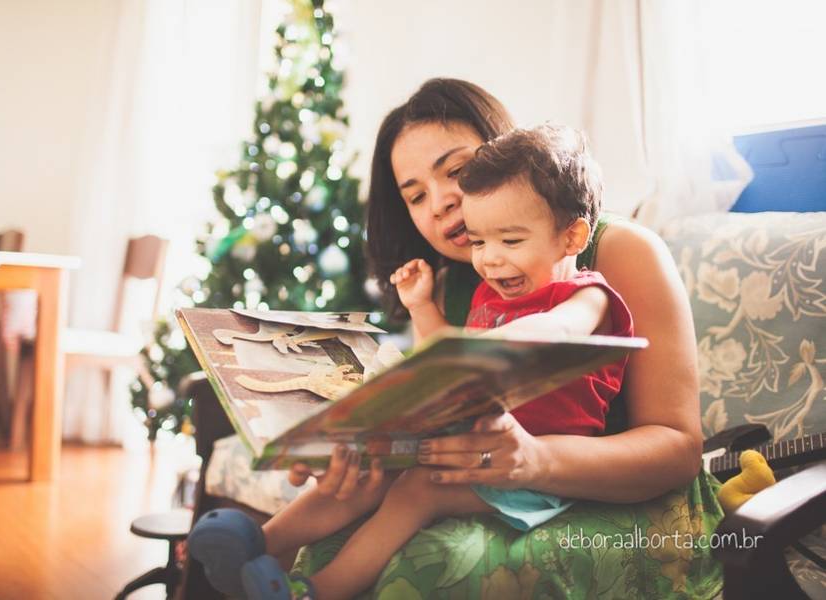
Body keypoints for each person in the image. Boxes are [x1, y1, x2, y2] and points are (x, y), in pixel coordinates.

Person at [287, 79, 723, 598]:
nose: (442, 203)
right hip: (489, 485)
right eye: (416, 196)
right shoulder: (457, 277)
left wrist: (533, 458)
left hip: (632, 505)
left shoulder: (618, 252)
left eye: (457, 171)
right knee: (334, 542)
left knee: (440, 566)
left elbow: (677, 451)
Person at [187, 125, 635, 600]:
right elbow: (448, 356)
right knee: (367, 474)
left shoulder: (586, 295)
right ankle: (257, 543)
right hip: (472, 452)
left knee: (415, 490)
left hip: (536, 474)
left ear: (572, 237)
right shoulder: (492, 291)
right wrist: (423, 307)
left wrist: (498, 343)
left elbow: (560, 331)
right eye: (480, 243)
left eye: (510, 240)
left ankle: (316, 591)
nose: (490, 260)